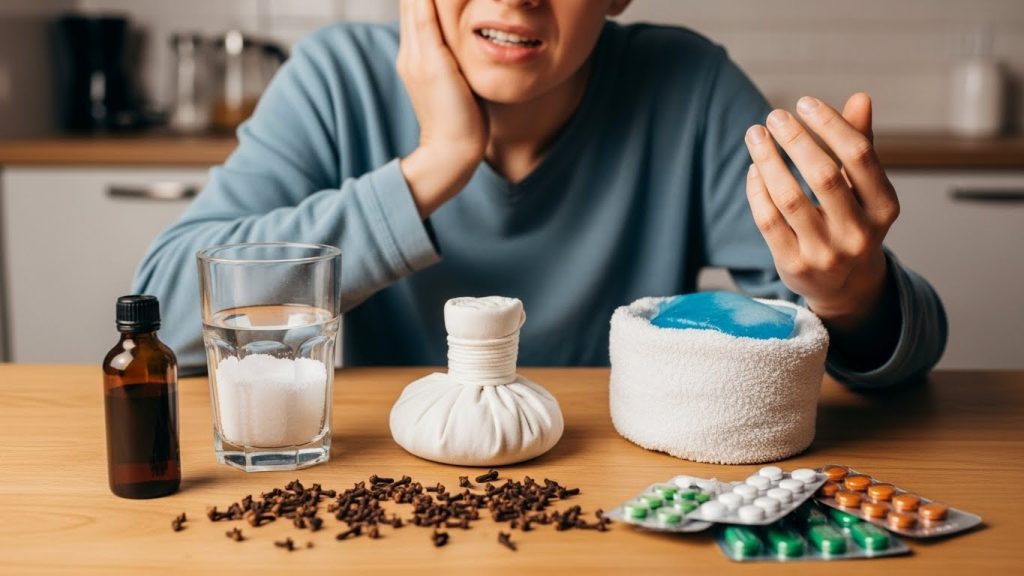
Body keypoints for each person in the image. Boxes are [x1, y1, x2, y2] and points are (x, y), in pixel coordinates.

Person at [133, 0, 946, 387]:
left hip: (603, 493)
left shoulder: (687, 85)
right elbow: (164, 313)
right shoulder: (333, 78)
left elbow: (877, 355)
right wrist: (438, 164)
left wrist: (851, 293)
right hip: (366, 487)